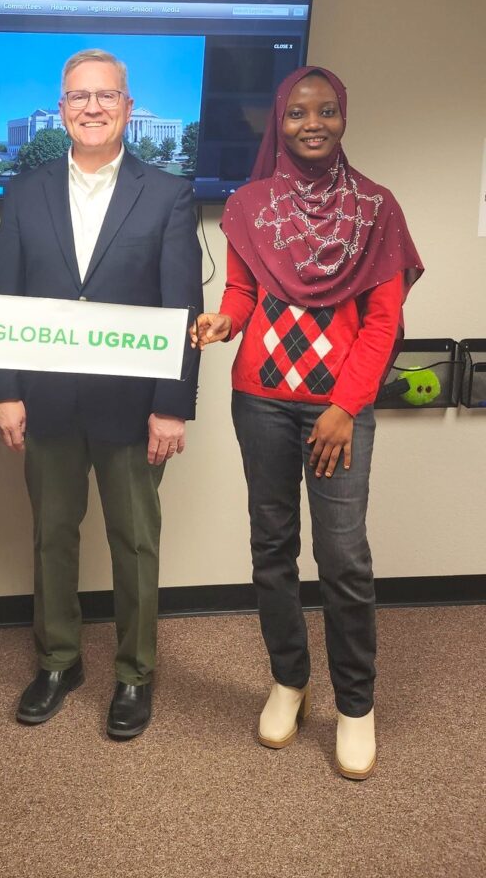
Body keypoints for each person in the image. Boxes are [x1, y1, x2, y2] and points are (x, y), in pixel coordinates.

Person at [193, 65, 422, 780]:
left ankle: (356, 705)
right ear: (279, 124)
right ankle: (289, 680)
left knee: (344, 556)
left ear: (343, 118)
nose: (312, 123)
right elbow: (241, 289)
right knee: (272, 547)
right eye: (297, 113)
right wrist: (224, 320)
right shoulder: (250, 205)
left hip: (337, 411)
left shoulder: (378, 209)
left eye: (326, 111)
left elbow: (384, 323)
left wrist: (344, 408)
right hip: (259, 398)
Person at [0, 49, 202, 739]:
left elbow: (180, 308)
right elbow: (9, 295)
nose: (91, 107)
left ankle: (136, 673)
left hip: (135, 408)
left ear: (127, 105)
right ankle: (58, 661)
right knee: (52, 535)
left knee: (134, 542)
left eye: (105, 95)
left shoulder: (168, 194)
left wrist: (172, 405)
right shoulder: (24, 191)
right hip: (46, 402)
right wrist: (7, 391)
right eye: (78, 96)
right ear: (60, 108)